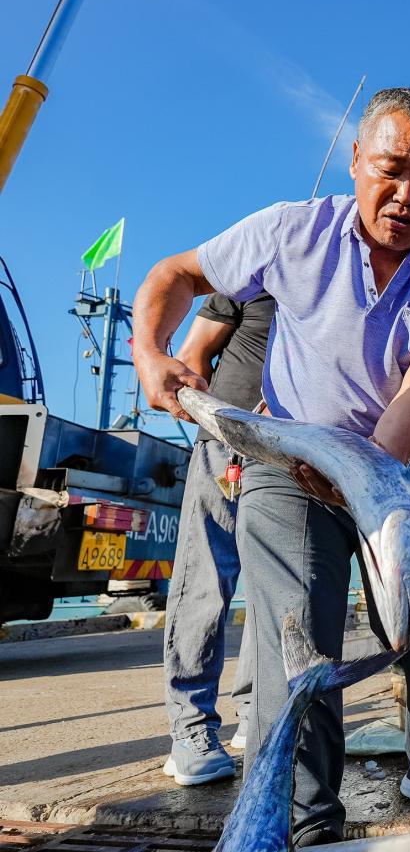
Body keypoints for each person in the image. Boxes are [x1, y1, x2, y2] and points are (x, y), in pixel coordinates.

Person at [134, 88, 410, 848]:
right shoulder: (291, 230)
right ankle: (302, 809)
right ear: (356, 161)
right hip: (290, 458)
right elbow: (176, 273)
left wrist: (364, 475)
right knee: (297, 621)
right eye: (390, 169)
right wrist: (150, 351)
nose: (406, 193)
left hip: (397, 463)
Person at [162, 293, 274, 785]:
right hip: (226, 449)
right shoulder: (248, 282)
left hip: (291, 456)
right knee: (206, 582)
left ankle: (255, 713)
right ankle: (191, 729)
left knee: (275, 591)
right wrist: (223, 418)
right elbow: (192, 358)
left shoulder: (339, 290)